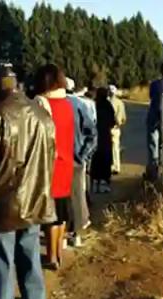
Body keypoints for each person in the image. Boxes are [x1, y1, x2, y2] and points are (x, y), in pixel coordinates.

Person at [0, 63, 56, 299]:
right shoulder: (42, 115)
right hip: (34, 202)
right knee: (30, 260)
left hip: (1, 206)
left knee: (1, 265)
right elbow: (50, 159)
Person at [33, 64, 74, 269]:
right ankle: (58, 252)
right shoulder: (67, 104)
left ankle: (50, 256)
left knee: (50, 215)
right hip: (66, 164)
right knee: (61, 214)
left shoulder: (41, 103)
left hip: (49, 166)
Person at [66, 78, 97, 247]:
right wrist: (83, 155)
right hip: (76, 158)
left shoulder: (49, 104)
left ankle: (60, 238)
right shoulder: (81, 104)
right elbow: (92, 133)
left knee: (59, 199)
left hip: (57, 159)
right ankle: (75, 235)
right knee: (77, 197)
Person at [90, 87, 116, 193]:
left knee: (95, 160)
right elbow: (112, 121)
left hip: (96, 136)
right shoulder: (108, 106)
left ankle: (94, 183)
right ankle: (104, 183)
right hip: (105, 136)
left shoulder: (94, 105)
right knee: (105, 160)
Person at [109, 85, 126, 175]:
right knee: (115, 147)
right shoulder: (120, 103)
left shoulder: (106, 103)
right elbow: (124, 118)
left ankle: (109, 166)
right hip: (117, 128)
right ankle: (116, 166)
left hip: (107, 128)